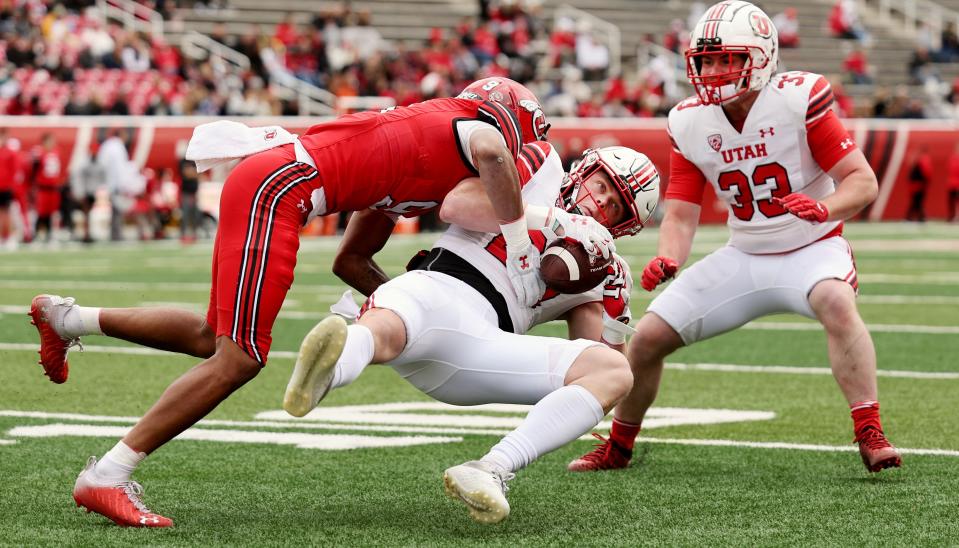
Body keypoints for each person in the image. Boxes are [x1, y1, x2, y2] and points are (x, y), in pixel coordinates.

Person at [28, 78, 606, 528]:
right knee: (241, 357)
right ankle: (108, 473)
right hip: (280, 189)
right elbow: (492, 154)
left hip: (273, 181)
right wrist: (525, 248)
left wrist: (404, 306)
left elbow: (348, 263)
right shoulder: (471, 130)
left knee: (215, 336)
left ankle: (68, 318)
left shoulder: (418, 143)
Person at [569, 1, 901, 475]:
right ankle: (619, 447)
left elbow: (861, 181)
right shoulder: (689, 120)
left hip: (812, 246)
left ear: (762, 56)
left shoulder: (798, 97)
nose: (714, 70)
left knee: (835, 301)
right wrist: (668, 257)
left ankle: (870, 431)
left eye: (727, 58)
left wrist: (824, 208)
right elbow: (682, 213)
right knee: (645, 341)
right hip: (745, 252)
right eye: (706, 60)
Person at [283, 144, 661, 523]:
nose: (599, 203)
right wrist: (550, 220)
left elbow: (592, 360)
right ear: (584, 170)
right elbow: (456, 205)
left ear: (621, 226)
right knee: (386, 325)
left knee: (614, 371)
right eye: (602, 187)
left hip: (482, 346)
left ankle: (492, 467)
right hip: (438, 286)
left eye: (613, 206)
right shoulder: (540, 167)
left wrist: (615, 316)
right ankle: (329, 372)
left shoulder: (596, 268)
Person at [906, 145, 932, 222]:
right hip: (919, 185)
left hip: (916, 185)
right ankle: (920, 218)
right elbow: (927, 173)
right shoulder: (924, 160)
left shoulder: (920, 160)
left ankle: (916, 218)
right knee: (917, 203)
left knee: (916, 203)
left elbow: (924, 173)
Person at [948, 142, 959, 222]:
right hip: (952, 184)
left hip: (957, 184)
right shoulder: (952, 158)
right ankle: (952, 216)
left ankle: (956, 216)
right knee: (951, 202)